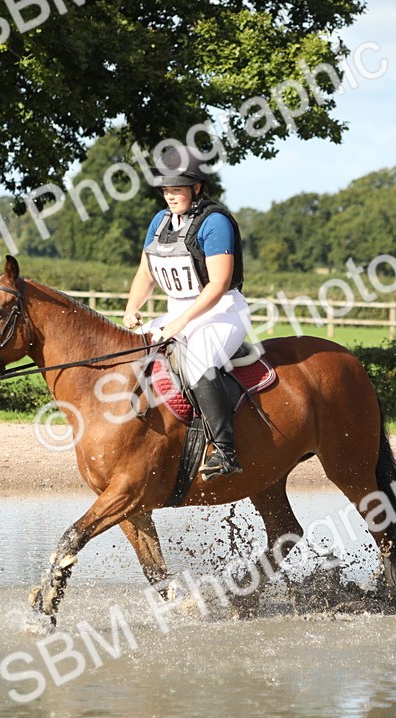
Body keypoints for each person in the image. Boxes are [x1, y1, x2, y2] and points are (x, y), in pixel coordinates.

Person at [123, 146, 251, 479]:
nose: (170, 195)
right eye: (165, 189)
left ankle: (225, 451)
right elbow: (146, 272)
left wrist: (181, 322)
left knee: (198, 362)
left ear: (196, 187)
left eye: (176, 188)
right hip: (177, 313)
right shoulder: (160, 221)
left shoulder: (215, 223)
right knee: (129, 349)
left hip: (221, 312)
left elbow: (219, 284)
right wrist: (132, 308)